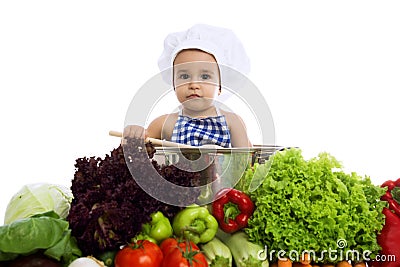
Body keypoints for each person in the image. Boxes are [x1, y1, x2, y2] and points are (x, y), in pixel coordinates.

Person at [124, 24, 252, 148]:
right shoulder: (164, 124)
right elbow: (138, 153)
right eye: (184, 76)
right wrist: (134, 135)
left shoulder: (233, 122)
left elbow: (249, 159)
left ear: (220, 86)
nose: (194, 85)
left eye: (205, 77)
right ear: (174, 85)